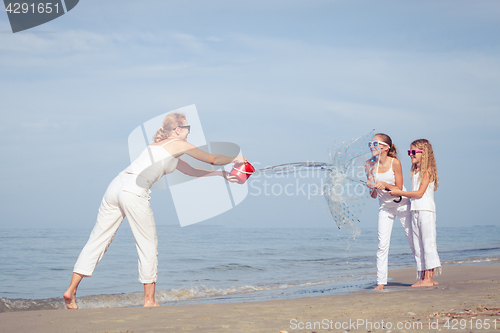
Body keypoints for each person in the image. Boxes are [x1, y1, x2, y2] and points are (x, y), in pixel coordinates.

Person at [63, 112, 246, 309]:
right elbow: (213, 158)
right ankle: (149, 300)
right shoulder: (178, 144)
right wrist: (237, 158)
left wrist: (221, 174)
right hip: (134, 190)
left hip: (116, 186)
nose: (189, 132)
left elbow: (191, 171)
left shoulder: (160, 148)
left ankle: (71, 290)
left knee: (98, 239)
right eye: (187, 128)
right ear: (177, 130)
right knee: (148, 244)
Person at [365, 133, 415, 290]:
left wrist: (385, 184)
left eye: (375, 143)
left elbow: (399, 189)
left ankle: (423, 275)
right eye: (370, 144)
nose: (372, 146)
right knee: (382, 245)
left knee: (412, 239)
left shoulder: (395, 163)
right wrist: (372, 186)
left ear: (386, 147)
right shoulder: (369, 165)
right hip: (385, 207)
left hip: (402, 204)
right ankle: (381, 282)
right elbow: (373, 196)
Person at [390, 139, 440, 287]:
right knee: (418, 244)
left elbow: (419, 193)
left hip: (426, 210)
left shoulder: (428, 171)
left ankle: (429, 279)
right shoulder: (416, 171)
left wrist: (400, 192)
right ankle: (424, 276)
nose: (410, 155)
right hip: (415, 210)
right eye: (409, 152)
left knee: (427, 243)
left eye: (413, 152)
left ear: (423, 153)